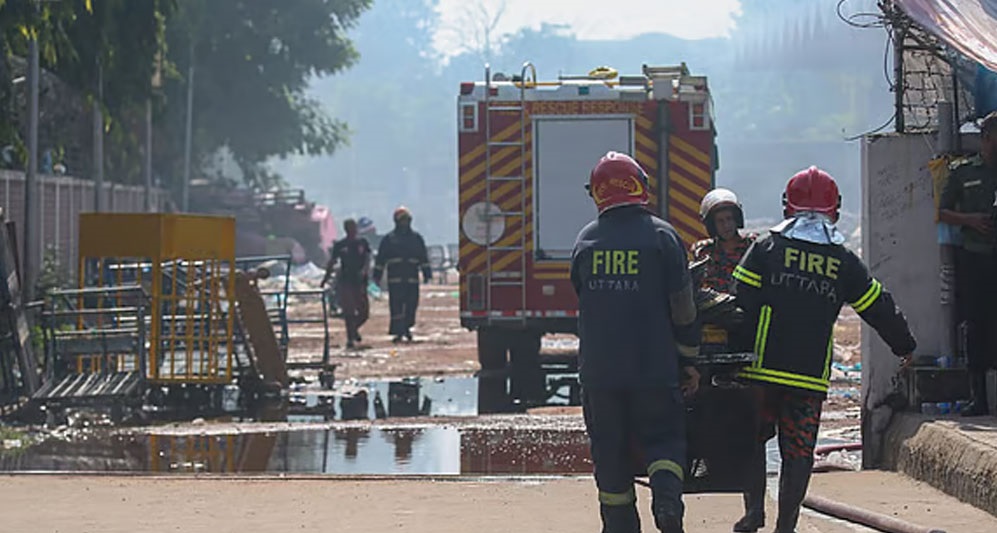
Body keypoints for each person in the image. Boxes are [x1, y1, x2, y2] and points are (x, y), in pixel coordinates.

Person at [731, 166, 916, 533]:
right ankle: (786, 526)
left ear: (787, 206)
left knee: (751, 443)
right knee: (798, 453)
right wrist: (905, 346)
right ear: (835, 208)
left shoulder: (766, 248)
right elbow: (879, 306)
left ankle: (754, 513)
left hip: (759, 373)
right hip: (808, 377)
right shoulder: (843, 261)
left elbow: (739, 305)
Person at [570, 151, 702, 533]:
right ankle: (667, 504)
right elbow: (683, 307)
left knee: (609, 454)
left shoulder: (586, 241)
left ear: (597, 192)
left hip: (599, 376)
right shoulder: (662, 237)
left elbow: (582, 295)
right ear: (640, 185)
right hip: (655, 370)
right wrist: (689, 358)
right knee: (664, 441)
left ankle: (619, 526)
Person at [938, 110, 997, 416]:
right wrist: (971, 220)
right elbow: (943, 211)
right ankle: (979, 398)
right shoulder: (964, 172)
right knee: (975, 324)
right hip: (975, 257)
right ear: (986, 139)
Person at [372, 206, 432, 343]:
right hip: (395, 279)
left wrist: (427, 273)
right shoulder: (389, 239)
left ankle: (407, 327)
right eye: (402, 220)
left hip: (411, 278)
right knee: (396, 306)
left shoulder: (416, 238)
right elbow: (381, 259)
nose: (404, 223)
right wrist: (377, 276)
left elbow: (423, 258)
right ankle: (399, 331)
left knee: (411, 305)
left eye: (406, 220)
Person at [692, 188, 757, 294]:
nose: (726, 225)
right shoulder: (703, 252)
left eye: (729, 218)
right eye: (720, 221)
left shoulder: (752, 246)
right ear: (712, 225)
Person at [322, 218, 372, 349]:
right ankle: (350, 338)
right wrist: (325, 279)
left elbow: (367, 259)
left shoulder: (362, 243)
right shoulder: (340, 245)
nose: (352, 230)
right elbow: (332, 262)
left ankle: (354, 329)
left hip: (360, 281)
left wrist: (365, 272)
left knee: (364, 312)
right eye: (349, 227)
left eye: (353, 227)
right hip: (345, 281)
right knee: (348, 312)